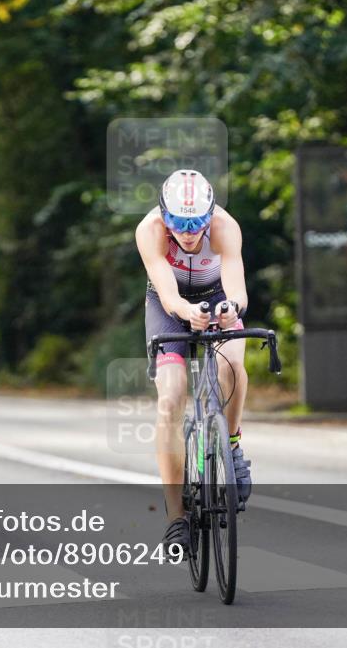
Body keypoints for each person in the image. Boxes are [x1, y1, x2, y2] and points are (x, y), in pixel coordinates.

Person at [135, 169, 252, 554]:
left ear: (210, 214)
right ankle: (175, 517)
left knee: (231, 365)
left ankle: (231, 444)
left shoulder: (224, 227)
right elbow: (168, 295)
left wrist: (229, 308)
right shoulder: (149, 229)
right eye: (179, 224)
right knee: (171, 398)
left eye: (196, 223)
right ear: (164, 215)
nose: (188, 232)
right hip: (169, 304)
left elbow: (238, 291)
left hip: (217, 294)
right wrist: (187, 312)